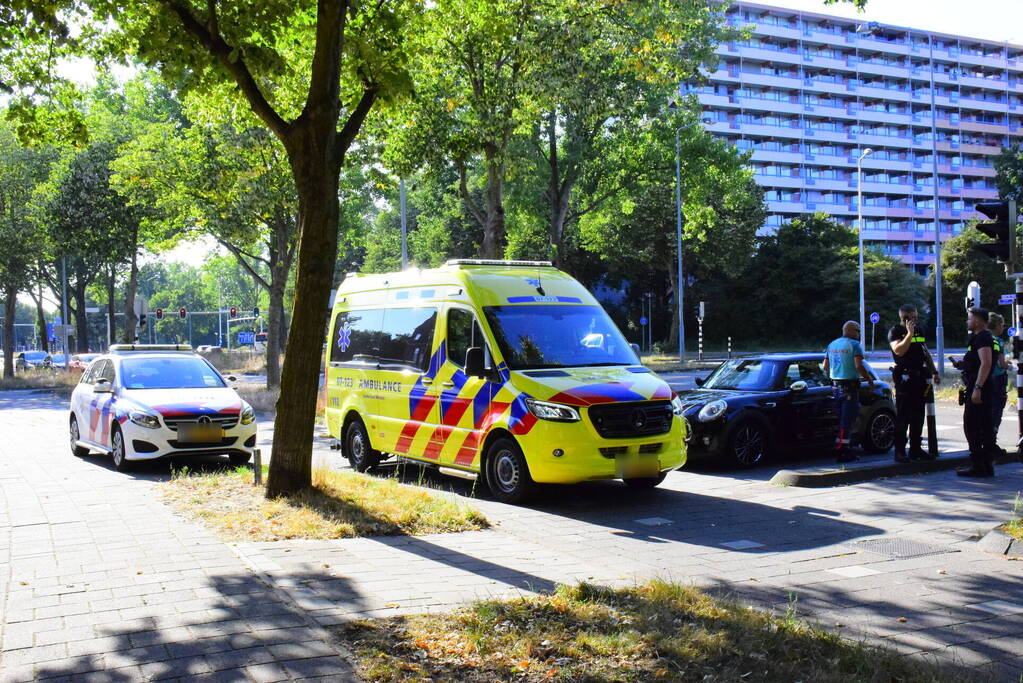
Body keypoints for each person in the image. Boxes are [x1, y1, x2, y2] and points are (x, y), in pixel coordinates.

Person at [888, 304, 941, 463]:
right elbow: (899, 350)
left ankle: (915, 449)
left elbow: (925, 352)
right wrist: (909, 334)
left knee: (918, 415)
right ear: (904, 318)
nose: (915, 319)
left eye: (916, 316)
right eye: (912, 317)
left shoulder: (920, 330)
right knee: (903, 415)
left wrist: (934, 372)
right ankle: (899, 451)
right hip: (905, 378)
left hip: (919, 377)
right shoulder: (895, 331)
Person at [953, 307, 996, 478]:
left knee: (972, 426)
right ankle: (986, 465)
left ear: (977, 321)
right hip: (981, 385)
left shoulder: (983, 337)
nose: (967, 321)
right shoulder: (980, 338)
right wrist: (963, 365)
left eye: (969, 318)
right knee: (982, 425)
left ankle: (978, 465)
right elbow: (978, 363)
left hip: (980, 388)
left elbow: (986, 363)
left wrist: (977, 388)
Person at [823, 320, 874, 463]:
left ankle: (841, 448)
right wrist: (868, 379)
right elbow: (859, 365)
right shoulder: (854, 345)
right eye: (858, 331)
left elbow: (825, 365)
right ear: (851, 330)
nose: (859, 334)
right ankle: (843, 452)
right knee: (848, 421)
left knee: (841, 420)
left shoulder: (832, 344)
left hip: (835, 387)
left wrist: (835, 374)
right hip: (849, 388)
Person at [987, 312, 1009, 455]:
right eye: (1002, 324)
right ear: (996, 326)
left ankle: (986, 441)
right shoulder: (998, 341)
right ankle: (991, 442)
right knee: (996, 411)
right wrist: (1010, 365)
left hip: (986, 379)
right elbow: (1002, 363)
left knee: (988, 411)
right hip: (998, 379)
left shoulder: (983, 338)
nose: (1003, 327)